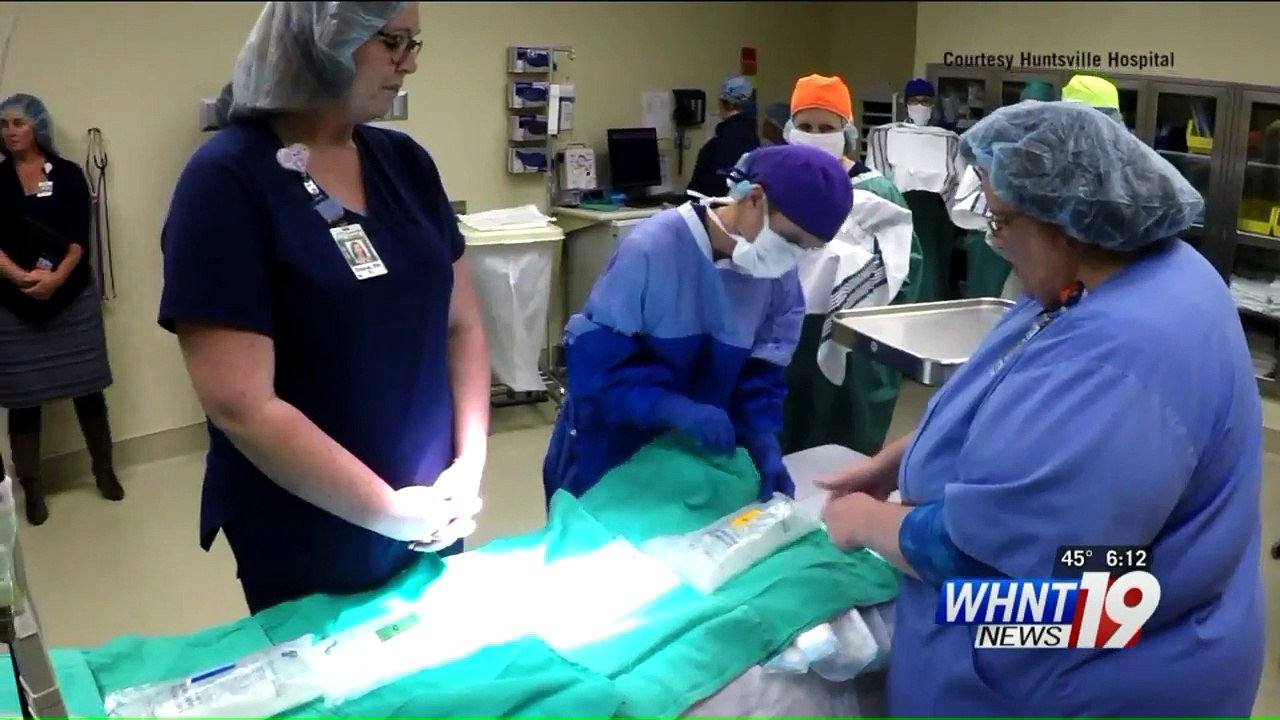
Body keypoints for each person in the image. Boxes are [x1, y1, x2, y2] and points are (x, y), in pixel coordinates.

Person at [819, 101, 1264, 715]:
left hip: (1093, 667)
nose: (993, 241)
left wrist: (865, 521)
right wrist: (898, 462)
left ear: (1065, 221)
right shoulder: (1101, 275)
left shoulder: (1123, 357)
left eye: (1000, 222)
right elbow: (994, 389)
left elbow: (1001, 564)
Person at [157, 1, 490, 614]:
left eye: (416, 45)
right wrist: (386, 511)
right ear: (325, 36)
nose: (407, 65)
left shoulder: (407, 164)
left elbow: (462, 324)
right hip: (310, 519)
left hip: (432, 505)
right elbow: (241, 404)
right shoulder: (225, 180)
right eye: (392, 42)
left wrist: (468, 465)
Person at [543, 144, 853, 504]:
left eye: (808, 249)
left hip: (695, 462)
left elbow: (761, 378)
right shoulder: (652, 250)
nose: (794, 256)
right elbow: (596, 374)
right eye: (791, 240)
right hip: (612, 454)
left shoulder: (779, 281)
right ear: (754, 198)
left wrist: (763, 442)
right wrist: (669, 407)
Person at [775, 74, 922, 457]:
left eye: (827, 127)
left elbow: (906, 272)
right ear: (789, 129)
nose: (815, 134)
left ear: (848, 132)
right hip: (786, 339)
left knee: (845, 450)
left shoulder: (876, 192)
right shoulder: (774, 184)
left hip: (855, 346)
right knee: (786, 444)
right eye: (805, 126)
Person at [0, 93, 124, 526]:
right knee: (22, 399)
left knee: (88, 388)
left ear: (37, 126)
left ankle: (104, 470)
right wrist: (20, 278)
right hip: (13, 304)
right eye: (4, 125)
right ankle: (33, 491)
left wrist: (55, 278)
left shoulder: (68, 173)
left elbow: (79, 237)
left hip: (71, 297)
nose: (11, 131)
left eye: (19, 122)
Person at [955, 82, 1054, 299]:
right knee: (985, 299)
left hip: (1024, 238)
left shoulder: (1051, 149)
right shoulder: (994, 140)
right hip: (986, 235)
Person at [686, 75, 760, 197]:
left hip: (716, 209)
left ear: (726, 104)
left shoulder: (727, 137)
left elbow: (716, 184)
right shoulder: (750, 134)